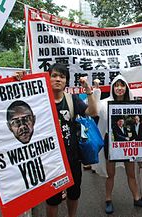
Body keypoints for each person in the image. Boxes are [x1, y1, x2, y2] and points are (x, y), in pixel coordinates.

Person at [16, 63, 98, 217]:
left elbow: (93, 112)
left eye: (62, 76)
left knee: (74, 194)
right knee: (53, 199)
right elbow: (17, 104)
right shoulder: (39, 100)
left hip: (72, 158)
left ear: (66, 81)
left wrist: (88, 91)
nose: (58, 79)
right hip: (49, 160)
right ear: (48, 78)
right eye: (54, 76)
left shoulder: (72, 99)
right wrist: (19, 81)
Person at [97, 75, 142, 214]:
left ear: (126, 87)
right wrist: (95, 92)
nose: (119, 88)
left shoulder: (134, 104)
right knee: (111, 174)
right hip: (111, 143)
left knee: (131, 173)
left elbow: (138, 125)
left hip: (128, 146)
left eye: (122, 85)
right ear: (112, 87)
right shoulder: (104, 103)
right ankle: (108, 199)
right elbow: (92, 109)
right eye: (116, 85)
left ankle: (137, 198)